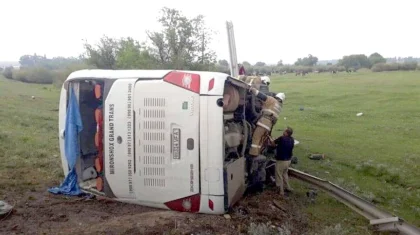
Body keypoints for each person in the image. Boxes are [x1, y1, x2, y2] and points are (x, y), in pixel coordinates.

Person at [271, 127, 294, 196]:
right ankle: (288, 187)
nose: (283, 132)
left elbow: (273, 144)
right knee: (285, 174)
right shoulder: (292, 139)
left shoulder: (281, 138)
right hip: (288, 160)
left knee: (279, 175)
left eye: (284, 131)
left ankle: (281, 191)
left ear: (286, 133)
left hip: (281, 160)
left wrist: (272, 140)